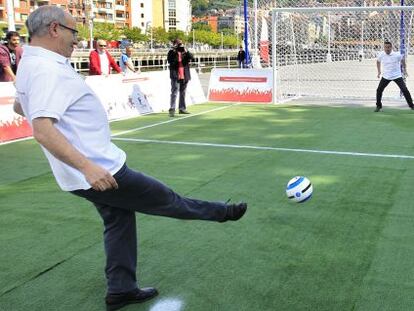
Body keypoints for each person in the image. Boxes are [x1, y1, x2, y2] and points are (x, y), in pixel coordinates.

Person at [14, 6, 247, 311]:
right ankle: (222, 212)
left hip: (86, 170)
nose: (78, 40)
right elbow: (42, 130)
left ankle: (121, 289)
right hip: (101, 169)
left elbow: (22, 107)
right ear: (55, 29)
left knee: (118, 220)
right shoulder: (47, 69)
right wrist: (88, 167)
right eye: (74, 32)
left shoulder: (32, 61)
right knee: (167, 199)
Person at [375, 40, 414, 112]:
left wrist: (405, 70)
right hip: (386, 76)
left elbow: (402, 60)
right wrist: (379, 72)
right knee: (379, 90)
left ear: (391, 47)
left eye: (389, 47)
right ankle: (378, 106)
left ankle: (411, 105)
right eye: (386, 47)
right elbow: (378, 61)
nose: (387, 49)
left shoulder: (397, 55)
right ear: (384, 47)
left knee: (404, 90)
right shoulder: (381, 54)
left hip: (397, 76)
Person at [167, 39, 194, 117]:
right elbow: (169, 61)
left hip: (184, 75)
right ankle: (172, 109)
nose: (179, 45)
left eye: (180, 44)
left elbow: (191, 57)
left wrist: (186, 51)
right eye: (178, 44)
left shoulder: (184, 51)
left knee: (183, 92)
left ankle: (182, 108)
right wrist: (174, 51)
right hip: (175, 74)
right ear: (174, 44)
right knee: (174, 92)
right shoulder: (171, 52)